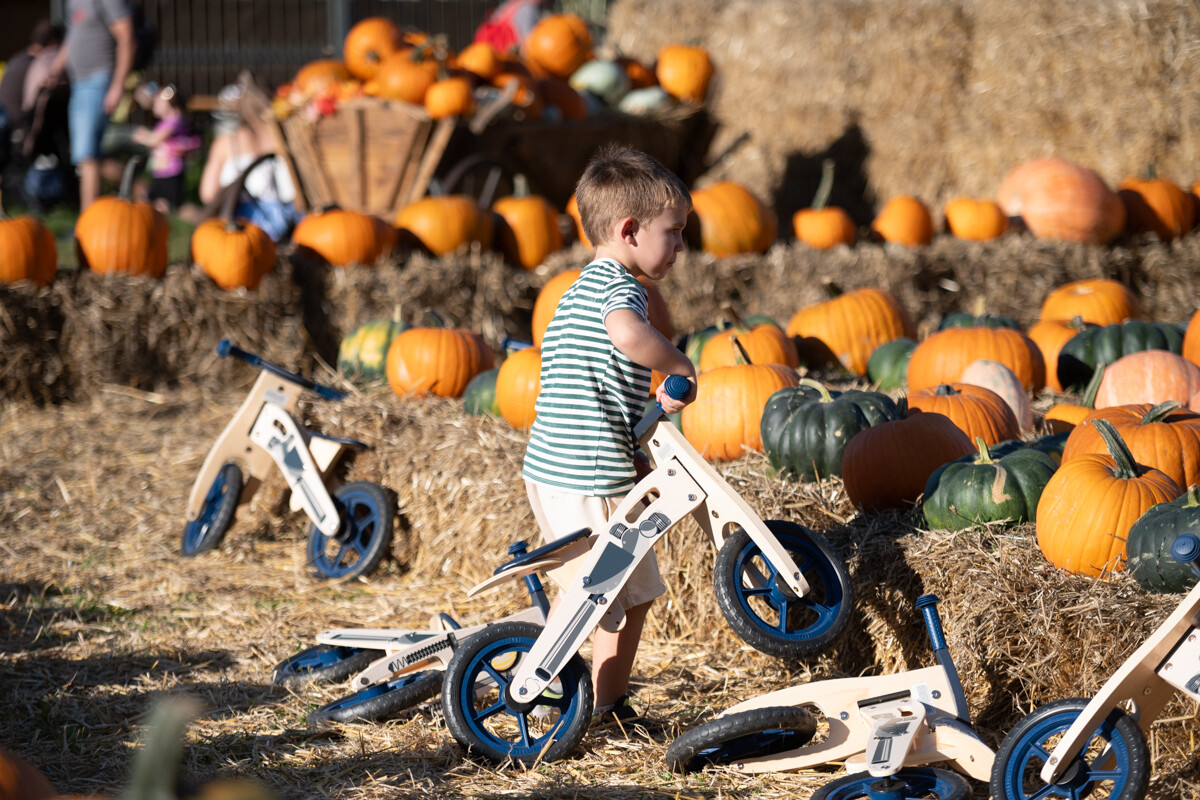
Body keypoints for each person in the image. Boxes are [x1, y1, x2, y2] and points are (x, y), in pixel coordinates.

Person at [521, 144, 696, 725]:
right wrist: (676, 365)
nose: (679, 247)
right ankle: (561, 694)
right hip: (587, 477)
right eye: (673, 232)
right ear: (629, 230)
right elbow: (626, 334)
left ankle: (601, 705)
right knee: (599, 601)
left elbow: (595, 383)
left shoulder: (576, 289)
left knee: (624, 595)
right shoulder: (623, 292)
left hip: (562, 469)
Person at [44, 0, 135, 210]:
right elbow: (73, 37)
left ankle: (87, 220)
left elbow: (127, 37)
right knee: (85, 155)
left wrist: (118, 85)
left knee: (87, 156)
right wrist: (55, 69)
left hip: (99, 81)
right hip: (79, 83)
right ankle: (142, 191)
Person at [196, 80, 298, 240]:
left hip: (239, 230)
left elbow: (208, 194)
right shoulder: (286, 140)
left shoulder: (226, 143)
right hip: (285, 228)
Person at [131, 83, 198, 213]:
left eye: (158, 103)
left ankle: (195, 216)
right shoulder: (166, 122)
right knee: (158, 201)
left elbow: (156, 140)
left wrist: (142, 137)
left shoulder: (173, 120)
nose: (154, 106)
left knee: (170, 205)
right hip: (162, 170)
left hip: (171, 171)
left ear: (170, 104)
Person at [473, 0, 549, 54]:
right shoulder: (528, 9)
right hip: (509, 56)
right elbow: (530, 42)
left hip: (490, 55)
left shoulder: (510, 4)